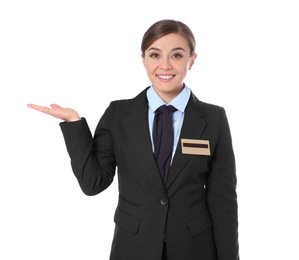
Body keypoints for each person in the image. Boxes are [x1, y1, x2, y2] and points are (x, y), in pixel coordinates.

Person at [27, 19, 239, 260]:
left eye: (177, 55)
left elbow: (223, 201)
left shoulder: (213, 118)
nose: (165, 65)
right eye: (155, 55)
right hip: (133, 247)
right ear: (143, 60)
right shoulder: (119, 115)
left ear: (192, 60)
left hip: (195, 249)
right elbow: (93, 183)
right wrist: (74, 123)